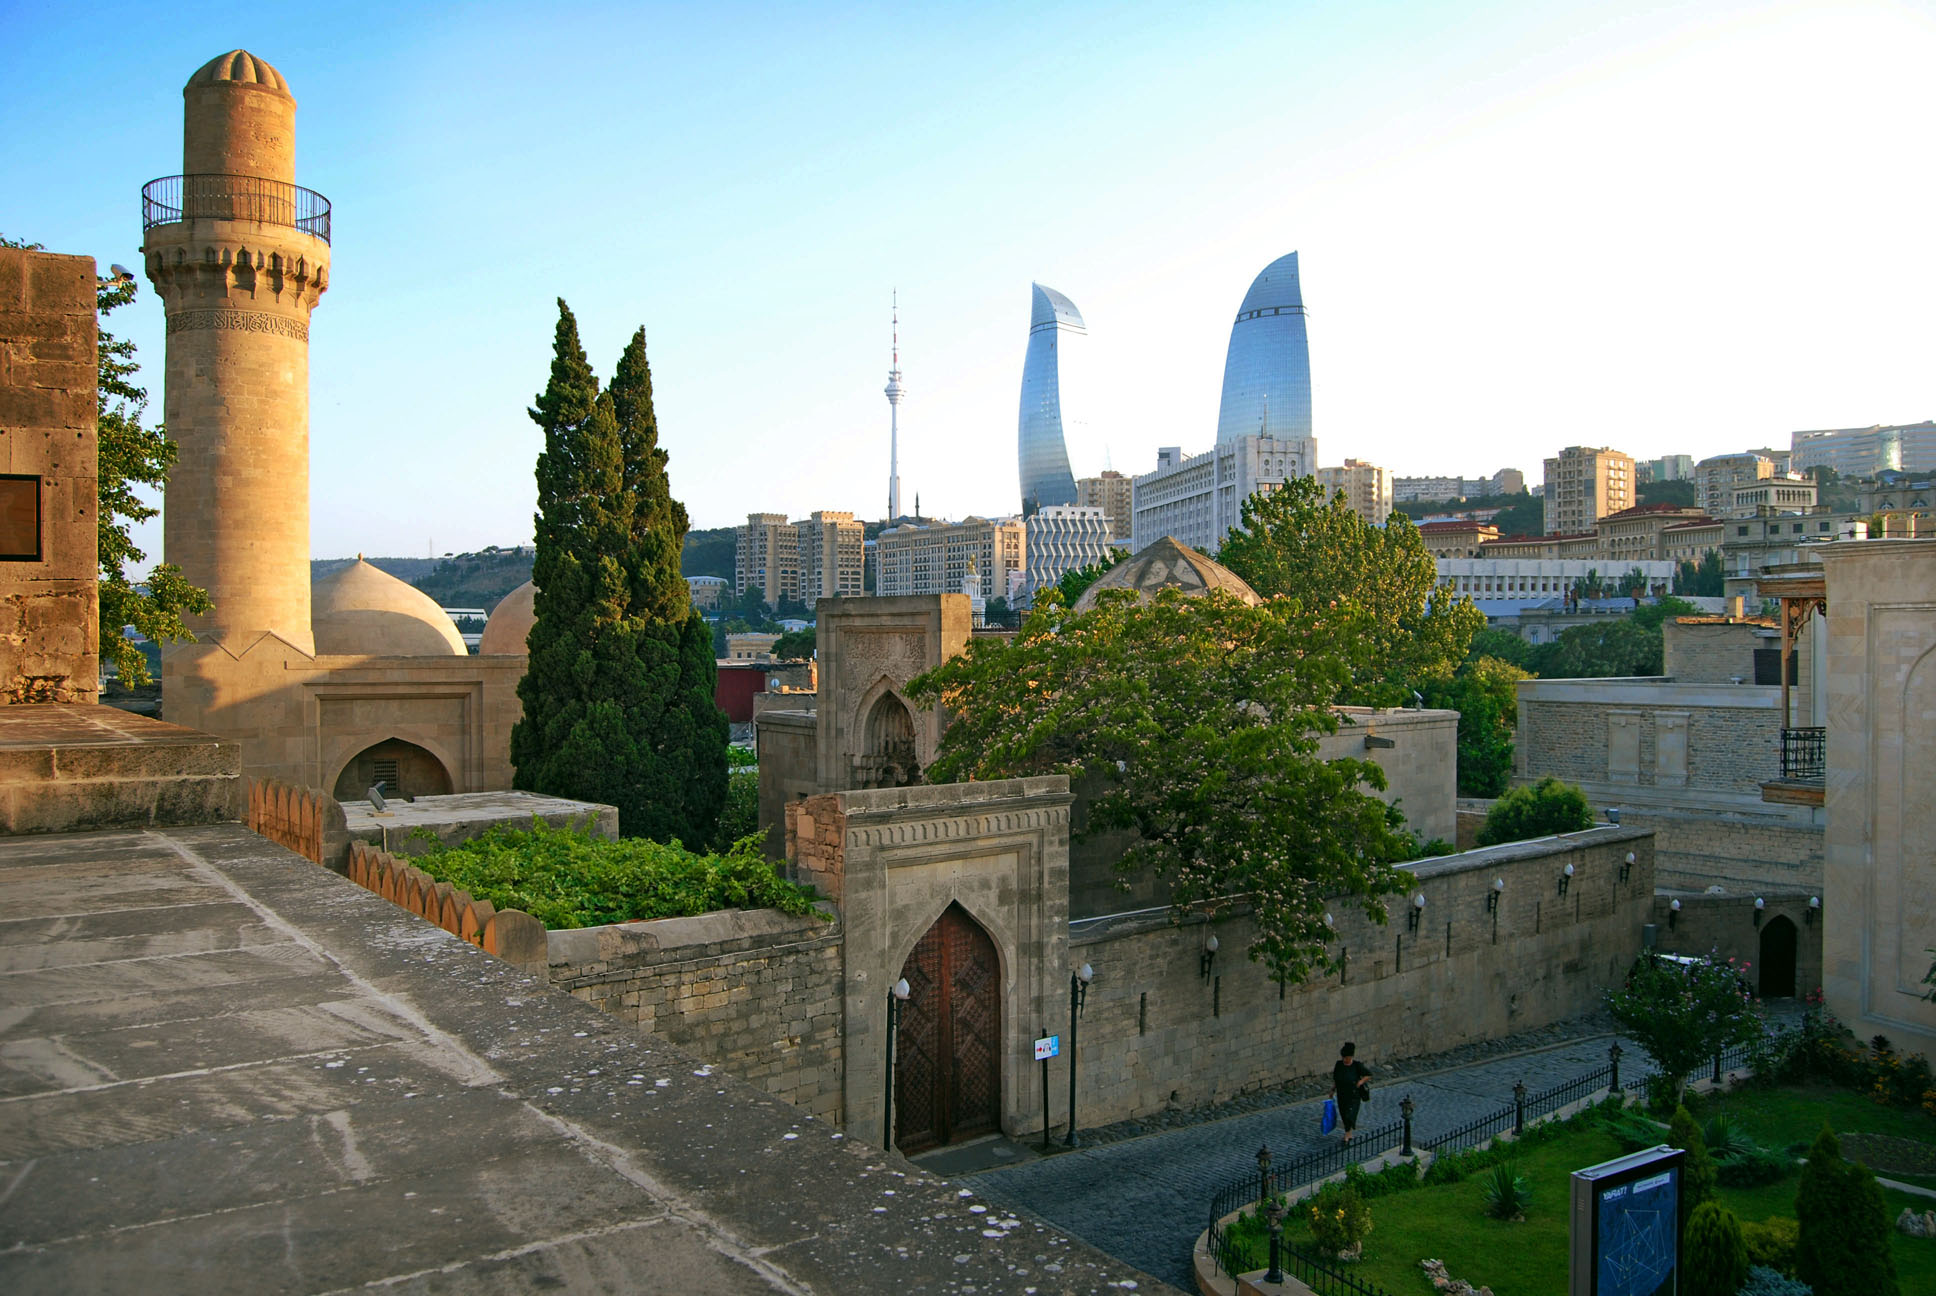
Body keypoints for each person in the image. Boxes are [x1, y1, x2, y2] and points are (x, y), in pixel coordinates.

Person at [1331, 1042, 1372, 1143]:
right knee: (1344, 1114)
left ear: (1351, 1057)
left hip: (1354, 1095)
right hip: (1342, 1094)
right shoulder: (1339, 1065)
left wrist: (1360, 1082)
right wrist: (1332, 1090)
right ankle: (1348, 1132)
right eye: (1344, 1058)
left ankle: (1347, 1133)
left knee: (1350, 1114)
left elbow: (1368, 1075)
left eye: (1347, 1058)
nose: (1345, 1060)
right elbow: (1336, 1079)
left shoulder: (1357, 1065)